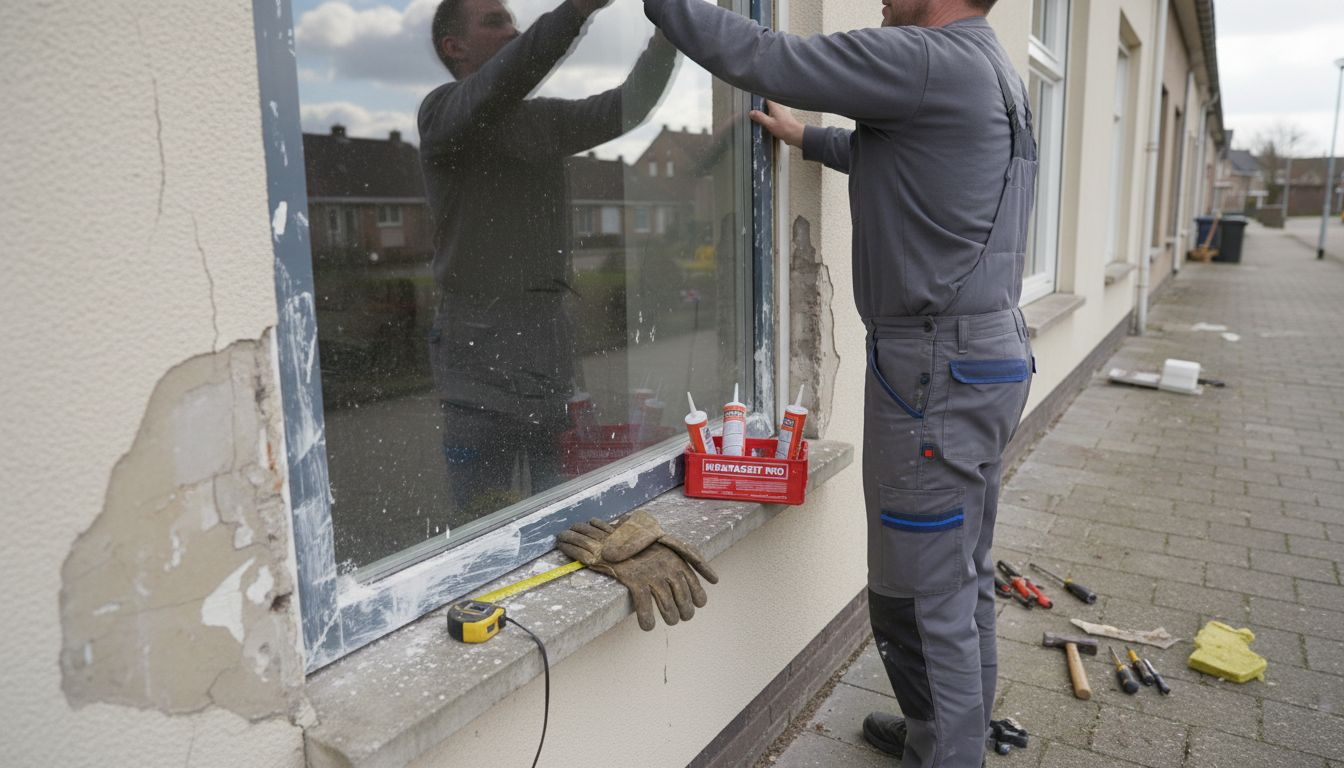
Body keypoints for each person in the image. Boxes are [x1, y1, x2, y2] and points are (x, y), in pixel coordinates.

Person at [640, 0, 1036, 765]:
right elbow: (918, 164)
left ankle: (947, 750)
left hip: (935, 374)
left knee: (919, 598)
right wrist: (809, 139)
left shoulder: (926, 58)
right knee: (961, 576)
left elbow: (768, 56)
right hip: (986, 357)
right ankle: (948, 734)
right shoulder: (990, 68)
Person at [419, 0, 676, 519]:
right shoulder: (442, 112)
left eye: (514, 20)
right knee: (484, 525)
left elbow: (626, 106)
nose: (513, 31)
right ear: (454, 47)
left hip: (547, 353)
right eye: (495, 21)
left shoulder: (539, 121)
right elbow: (508, 76)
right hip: (477, 359)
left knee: (562, 521)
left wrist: (669, 35)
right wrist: (577, 9)